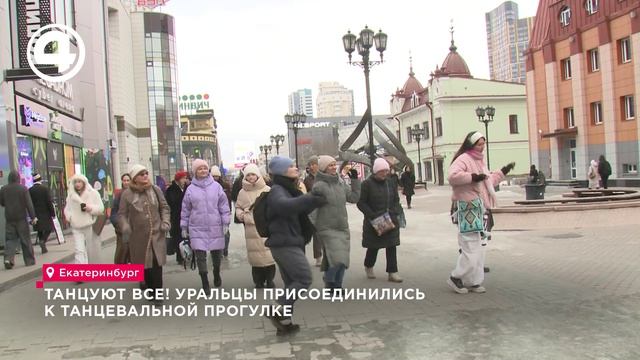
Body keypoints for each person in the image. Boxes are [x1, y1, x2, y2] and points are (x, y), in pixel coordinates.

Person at [447, 131, 515, 294]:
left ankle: (473, 281)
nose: (482, 147)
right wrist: (472, 177)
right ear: (471, 145)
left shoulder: (480, 161)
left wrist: (502, 172)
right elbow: (452, 176)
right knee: (470, 247)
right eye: (479, 144)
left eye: (484, 143)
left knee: (479, 248)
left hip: (480, 208)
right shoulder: (463, 159)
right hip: (466, 207)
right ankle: (456, 277)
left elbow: (486, 181)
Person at [264, 156, 326, 335]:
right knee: (304, 279)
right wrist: (310, 198)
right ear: (282, 172)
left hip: (290, 241)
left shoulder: (289, 188)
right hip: (285, 243)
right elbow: (284, 207)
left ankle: (284, 323)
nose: (295, 168)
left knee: (292, 282)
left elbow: (298, 209)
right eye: (291, 166)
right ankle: (276, 308)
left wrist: (314, 201)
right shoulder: (277, 190)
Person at [118, 165, 170, 305]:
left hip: (157, 233)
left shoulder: (155, 190)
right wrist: (125, 226)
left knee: (156, 265)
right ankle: (150, 290)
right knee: (144, 265)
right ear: (135, 178)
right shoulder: (127, 194)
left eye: (146, 173)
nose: (145, 176)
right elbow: (122, 214)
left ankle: (158, 294)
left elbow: (164, 207)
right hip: (138, 236)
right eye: (142, 174)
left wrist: (165, 221)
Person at [310, 155, 360, 291]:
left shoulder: (340, 182)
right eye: (330, 165)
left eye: (334, 164)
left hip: (342, 227)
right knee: (339, 258)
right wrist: (312, 225)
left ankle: (335, 286)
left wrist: (355, 180)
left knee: (340, 258)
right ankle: (330, 280)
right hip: (326, 227)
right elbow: (312, 207)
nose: (333, 167)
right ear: (323, 168)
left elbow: (353, 198)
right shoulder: (319, 186)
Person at [181, 159, 231, 291]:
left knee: (216, 254)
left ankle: (216, 272)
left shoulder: (216, 187)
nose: (203, 170)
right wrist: (184, 226)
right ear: (195, 172)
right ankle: (204, 280)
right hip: (197, 226)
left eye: (204, 168)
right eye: (199, 169)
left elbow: (223, 205)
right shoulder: (190, 189)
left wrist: (225, 222)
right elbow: (185, 209)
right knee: (200, 256)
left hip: (215, 224)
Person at [357, 158, 404, 283]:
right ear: (376, 171)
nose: (385, 173)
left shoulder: (390, 183)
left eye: (386, 171)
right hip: (374, 221)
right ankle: (369, 265)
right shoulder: (367, 184)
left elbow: (396, 199)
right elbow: (361, 203)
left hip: (390, 219)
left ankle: (392, 272)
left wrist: (394, 212)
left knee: (392, 245)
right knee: (374, 246)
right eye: (382, 171)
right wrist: (372, 215)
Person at [235, 164, 276, 288]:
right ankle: (258, 280)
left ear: (258, 175)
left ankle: (270, 279)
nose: (251, 177)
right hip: (251, 228)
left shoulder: (267, 189)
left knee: (268, 254)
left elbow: (274, 205)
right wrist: (242, 216)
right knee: (255, 256)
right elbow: (238, 207)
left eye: (253, 174)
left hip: (265, 226)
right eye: (248, 175)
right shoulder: (242, 192)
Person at [64, 174, 105, 265]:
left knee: (91, 249)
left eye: (79, 182)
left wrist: (90, 208)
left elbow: (101, 208)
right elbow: (67, 209)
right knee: (79, 250)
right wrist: (70, 217)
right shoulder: (71, 196)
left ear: (84, 182)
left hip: (90, 225)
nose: (77, 184)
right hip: (76, 226)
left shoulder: (93, 193)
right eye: (75, 182)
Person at [0, 170, 37, 269]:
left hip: (9, 218)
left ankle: (8, 259)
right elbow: (29, 204)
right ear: (18, 178)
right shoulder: (23, 188)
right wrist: (33, 217)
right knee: (25, 239)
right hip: (21, 218)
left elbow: (2, 203)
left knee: (10, 240)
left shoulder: (3, 189)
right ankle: (29, 260)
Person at [165, 171, 189, 264]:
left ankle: (187, 254)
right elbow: (171, 203)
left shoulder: (187, 188)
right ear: (178, 180)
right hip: (176, 218)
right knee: (178, 238)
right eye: (183, 178)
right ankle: (180, 257)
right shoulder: (171, 190)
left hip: (186, 217)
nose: (185, 180)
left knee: (186, 237)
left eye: (185, 178)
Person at [302, 156, 322, 266]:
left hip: (323, 208)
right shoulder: (308, 179)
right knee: (313, 233)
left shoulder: (323, 177)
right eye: (311, 164)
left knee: (320, 234)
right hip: (312, 209)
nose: (312, 166)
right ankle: (318, 256)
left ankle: (320, 255)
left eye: (314, 164)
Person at [29, 173, 55, 254]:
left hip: (35, 213)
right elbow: (49, 202)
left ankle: (43, 246)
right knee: (49, 228)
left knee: (39, 229)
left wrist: (31, 215)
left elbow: (29, 203)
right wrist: (52, 213)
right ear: (40, 179)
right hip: (45, 213)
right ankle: (43, 241)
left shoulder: (30, 190)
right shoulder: (44, 189)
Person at [211, 165, 233, 257]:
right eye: (213, 176)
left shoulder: (225, 185)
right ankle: (216, 251)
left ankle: (225, 249)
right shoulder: (209, 187)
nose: (215, 178)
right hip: (213, 213)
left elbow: (229, 198)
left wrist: (229, 210)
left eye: (216, 176)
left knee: (226, 233)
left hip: (224, 212)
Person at [110, 173, 131, 264]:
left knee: (134, 249)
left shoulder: (135, 193)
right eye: (124, 180)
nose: (126, 182)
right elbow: (113, 213)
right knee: (123, 249)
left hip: (135, 226)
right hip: (122, 227)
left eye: (128, 180)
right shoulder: (119, 195)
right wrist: (117, 224)